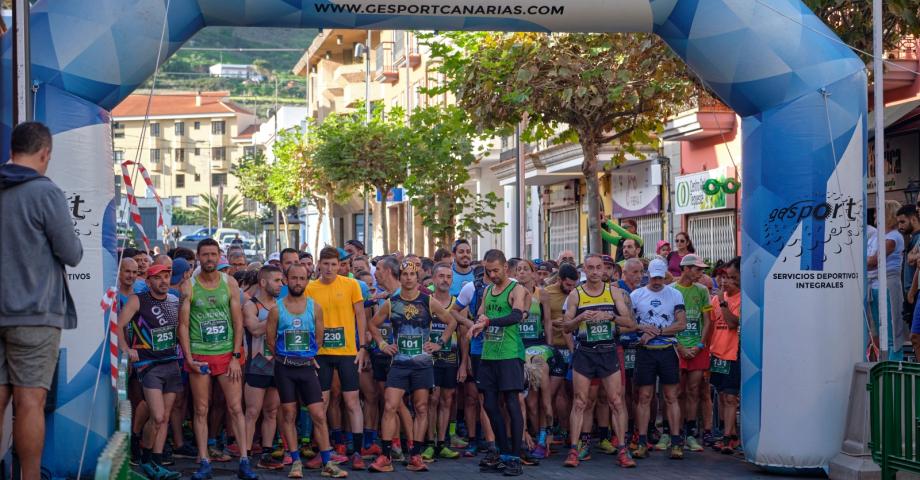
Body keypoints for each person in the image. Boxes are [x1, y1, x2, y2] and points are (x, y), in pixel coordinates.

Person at [0, 122, 84, 479]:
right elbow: (72, 252)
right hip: (35, 314)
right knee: (29, 404)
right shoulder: (45, 193)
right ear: (45, 153)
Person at [367, 260, 458, 472]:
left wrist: (439, 343)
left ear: (418, 278)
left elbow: (451, 321)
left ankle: (415, 455)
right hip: (399, 363)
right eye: (405, 274)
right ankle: (386, 455)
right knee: (390, 405)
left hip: (422, 364)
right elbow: (373, 324)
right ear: (400, 278)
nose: (408, 278)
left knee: (421, 407)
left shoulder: (428, 301)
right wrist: (382, 344)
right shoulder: (392, 302)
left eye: (412, 274)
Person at [178, 239, 256, 480]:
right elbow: (182, 325)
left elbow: (238, 322)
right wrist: (189, 358)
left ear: (219, 256)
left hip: (225, 355)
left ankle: (244, 460)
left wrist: (235, 356)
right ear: (198, 257)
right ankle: (204, 461)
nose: (210, 259)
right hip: (200, 356)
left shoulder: (229, 283)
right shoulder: (188, 286)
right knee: (201, 409)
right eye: (205, 255)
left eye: (213, 254)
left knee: (235, 408)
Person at [266, 263, 349, 479]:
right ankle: (295, 461)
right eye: (293, 278)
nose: (298, 282)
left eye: (302, 278)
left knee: (319, 415)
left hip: (307, 369)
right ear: (286, 279)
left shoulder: (315, 307)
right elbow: (270, 339)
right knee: (289, 415)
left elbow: (319, 338)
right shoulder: (277, 309)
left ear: (307, 279)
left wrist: (307, 356)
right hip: (285, 369)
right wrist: (286, 357)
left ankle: (327, 462)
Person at [559, 254, 636, 468]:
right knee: (580, 402)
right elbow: (566, 327)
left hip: (608, 351)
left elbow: (630, 322)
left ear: (605, 269)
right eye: (590, 268)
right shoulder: (576, 294)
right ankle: (574, 450)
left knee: (616, 401)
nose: (594, 272)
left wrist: (609, 317)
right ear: (584, 269)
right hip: (585, 353)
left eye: (598, 267)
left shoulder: (613, 292)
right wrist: (580, 318)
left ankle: (622, 449)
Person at [305, 247, 369, 470]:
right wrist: (308, 352)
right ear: (319, 265)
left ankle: (358, 453)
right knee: (320, 403)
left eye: (334, 264)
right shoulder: (310, 288)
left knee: (352, 401)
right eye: (326, 264)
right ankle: (323, 452)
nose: (330, 268)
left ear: (340, 265)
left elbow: (360, 315)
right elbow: (306, 319)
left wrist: (362, 347)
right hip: (321, 354)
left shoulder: (351, 285)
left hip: (347, 352)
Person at [118, 264, 183, 480]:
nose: (164, 281)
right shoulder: (138, 299)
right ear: (148, 282)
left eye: (167, 277)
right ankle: (145, 457)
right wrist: (127, 349)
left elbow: (182, 329)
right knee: (157, 415)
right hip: (149, 366)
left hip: (171, 363)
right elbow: (118, 325)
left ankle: (155, 462)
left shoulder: (174, 300)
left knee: (163, 419)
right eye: (158, 278)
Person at [467, 250, 529, 476]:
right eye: (488, 270)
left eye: (496, 270)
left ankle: (515, 456)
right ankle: (503, 453)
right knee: (490, 405)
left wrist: (488, 321)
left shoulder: (516, 289)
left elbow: (515, 316)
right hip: (489, 355)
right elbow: (480, 316)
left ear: (506, 268)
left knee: (512, 403)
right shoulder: (487, 291)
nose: (492, 275)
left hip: (510, 355)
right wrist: (477, 323)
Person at [630, 258, 687, 460]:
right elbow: (628, 324)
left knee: (671, 397)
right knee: (644, 397)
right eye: (653, 277)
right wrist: (640, 330)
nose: (656, 281)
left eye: (660, 278)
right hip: (645, 351)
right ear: (648, 274)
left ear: (665, 276)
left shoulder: (675, 294)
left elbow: (681, 324)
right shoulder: (636, 295)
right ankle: (642, 441)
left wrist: (657, 331)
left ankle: (676, 441)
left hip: (667, 349)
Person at [423, 263, 468, 461]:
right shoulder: (426, 302)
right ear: (433, 279)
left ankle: (442, 442)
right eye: (440, 276)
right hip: (429, 359)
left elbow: (464, 336)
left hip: (450, 358)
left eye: (448, 277)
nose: (444, 280)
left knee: (447, 400)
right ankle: (430, 442)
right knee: (432, 399)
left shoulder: (458, 304)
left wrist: (464, 364)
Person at [242, 266, 284, 470]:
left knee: (271, 411)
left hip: (277, 364)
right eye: (276, 280)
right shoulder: (251, 306)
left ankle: (266, 454)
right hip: (257, 364)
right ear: (263, 282)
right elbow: (255, 329)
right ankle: (245, 456)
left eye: (281, 280)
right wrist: (276, 316)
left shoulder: (280, 305)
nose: (281, 284)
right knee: (252, 412)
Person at [672, 254, 712, 453]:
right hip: (677, 348)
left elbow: (708, 320)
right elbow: (667, 322)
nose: (701, 273)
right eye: (697, 269)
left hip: (697, 348)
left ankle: (690, 433)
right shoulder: (671, 290)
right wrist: (679, 346)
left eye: (702, 270)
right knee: (676, 392)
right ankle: (675, 434)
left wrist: (700, 345)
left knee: (694, 391)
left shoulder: (703, 290)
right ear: (685, 269)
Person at [707, 258, 741, 455]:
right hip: (716, 353)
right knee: (720, 394)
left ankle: (728, 437)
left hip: (732, 352)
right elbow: (711, 325)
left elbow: (732, 323)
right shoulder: (715, 300)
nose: (724, 282)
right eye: (722, 278)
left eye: (729, 278)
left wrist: (723, 302)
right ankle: (730, 434)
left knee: (730, 397)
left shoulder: (740, 299)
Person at [543, 263, 577, 453]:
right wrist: (552, 322)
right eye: (567, 285)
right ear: (559, 280)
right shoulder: (547, 292)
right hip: (555, 347)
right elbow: (541, 319)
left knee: (573, 392)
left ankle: (571, 431)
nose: (571, 288)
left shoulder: (578, 293)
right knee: (556, 392)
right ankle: (560, 430)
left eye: (574, 285)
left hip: (572, 347)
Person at [868, 200, 905, 360]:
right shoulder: (878, 236)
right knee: (878, 330)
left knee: (890, 329)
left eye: (878, 211)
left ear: (887, 214)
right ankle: (884, 365)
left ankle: (894, 365)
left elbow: (873, 261)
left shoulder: (893, 237)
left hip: (889, 286)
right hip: (875, 286)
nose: (874, 215)